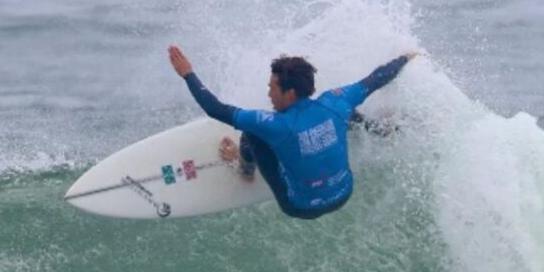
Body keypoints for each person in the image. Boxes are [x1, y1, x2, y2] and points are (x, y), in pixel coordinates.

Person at [168, 45, 417, 219]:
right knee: (344, 114)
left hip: (300, 206)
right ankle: (381, 131)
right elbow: (376, 78)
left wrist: (187, 74)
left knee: (252, 133)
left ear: (289, 93)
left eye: (272, 88)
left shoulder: (274, 124)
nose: (268, 94)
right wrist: (405, 58)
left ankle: (244, 169)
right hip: (344, 193)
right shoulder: (334, 102)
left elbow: (216, 109)